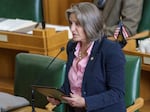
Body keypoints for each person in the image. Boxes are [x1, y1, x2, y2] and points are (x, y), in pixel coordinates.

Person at [47, 2, 126, 112]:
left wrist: (85, 102)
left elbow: (117, 93)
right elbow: (73, 84)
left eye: (78, 24)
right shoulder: (72, 46)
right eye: (71, 23)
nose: (72, 29)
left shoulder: (111, 51)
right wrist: (59, 96)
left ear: (91, 25)